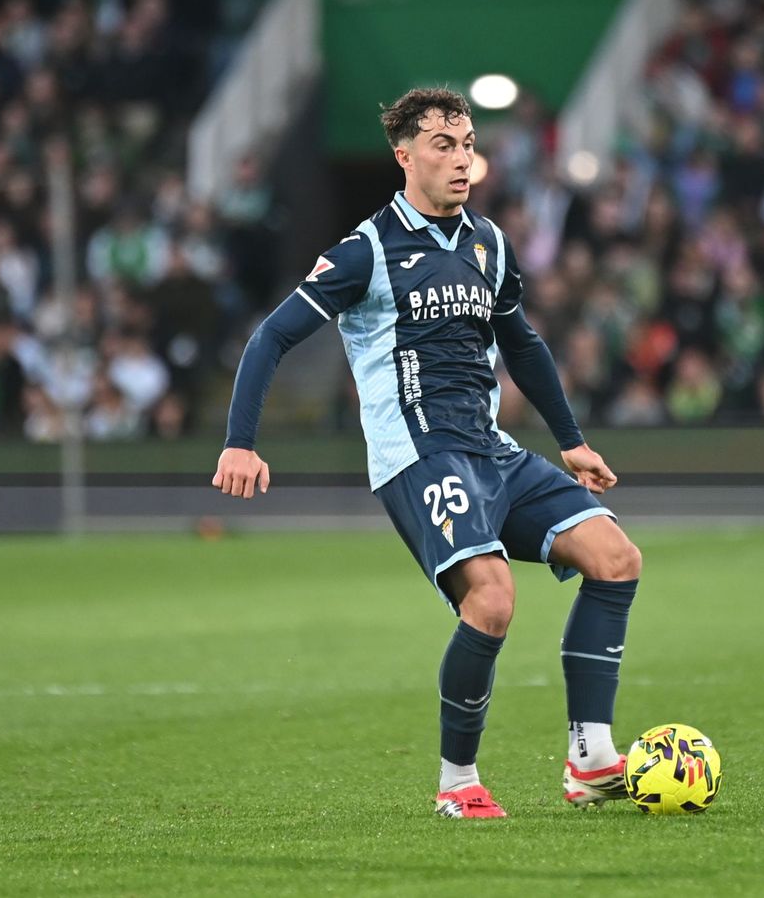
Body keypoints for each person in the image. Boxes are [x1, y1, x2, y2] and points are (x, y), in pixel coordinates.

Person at [212, 88, 643, 818]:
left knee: (616, 558)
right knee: (492, 598)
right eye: (442, 144)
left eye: (467, 143)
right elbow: (270, 337)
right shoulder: (367, 249)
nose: (460, 158)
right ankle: (457, 783)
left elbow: (525, 347)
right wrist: (239, 443)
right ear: (403, 155)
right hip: (419, 455)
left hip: (493, 450)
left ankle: (590, 758)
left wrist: (571, 441)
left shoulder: (489, 243)